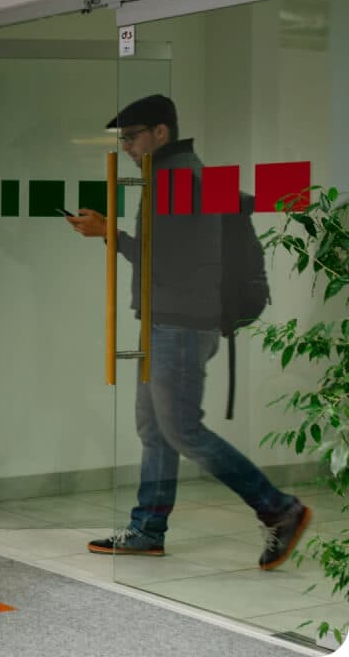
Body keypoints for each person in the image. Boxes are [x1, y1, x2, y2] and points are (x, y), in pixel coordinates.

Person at [66, 94, 310, 569]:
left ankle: (279, 508)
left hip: (178, 326)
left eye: (132, 137)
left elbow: (166, 263)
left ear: (161, 132)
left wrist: (109, 233)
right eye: (123, 139)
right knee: (156, 430)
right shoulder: (178, 174)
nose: (127, 147)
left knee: (181, 430)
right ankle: (147, 529)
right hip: (170, 322)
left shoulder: (175, 179)